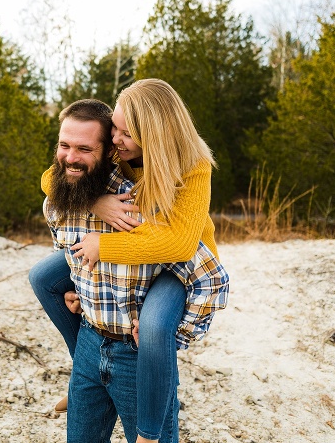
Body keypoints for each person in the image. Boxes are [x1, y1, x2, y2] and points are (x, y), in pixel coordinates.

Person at [34, 97, 229, 443]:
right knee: (43, 278)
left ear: (152, 135)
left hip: (177, 258)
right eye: (114, 131)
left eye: (125, 133)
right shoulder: (112, 155)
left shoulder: (191, 165)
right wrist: (92, 201)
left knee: (153, 328)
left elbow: (181, 246)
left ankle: (150, 432)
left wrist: (102, 246)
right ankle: (83, 364)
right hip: (113, 286)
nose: (116, 139)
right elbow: (54, 178)